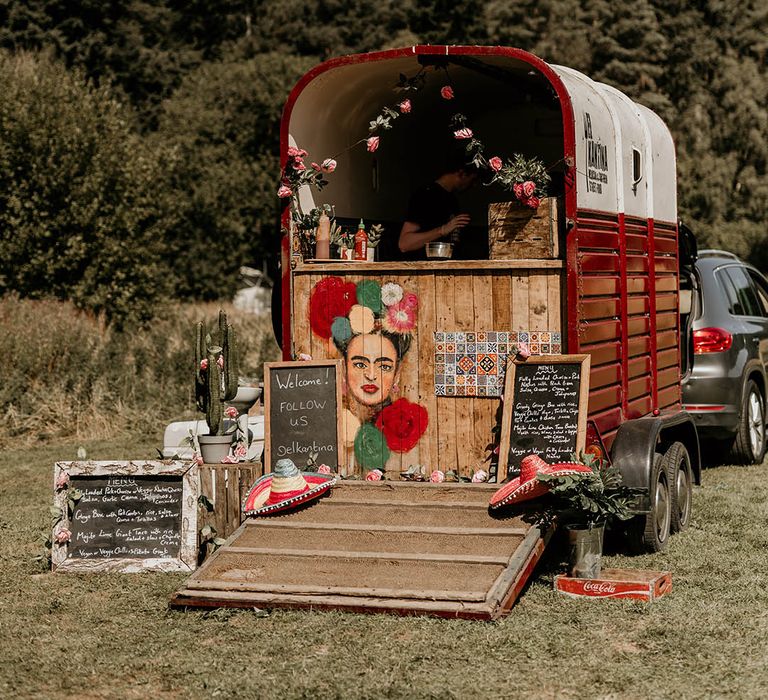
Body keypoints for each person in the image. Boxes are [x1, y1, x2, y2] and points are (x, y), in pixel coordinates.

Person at [396, 157, 480, 260]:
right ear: (461, 173)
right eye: (473, 179)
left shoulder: (452, 199)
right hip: (424, 269)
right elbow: (404, 244)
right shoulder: (425, 195)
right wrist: (442, 230)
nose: (474, 185)